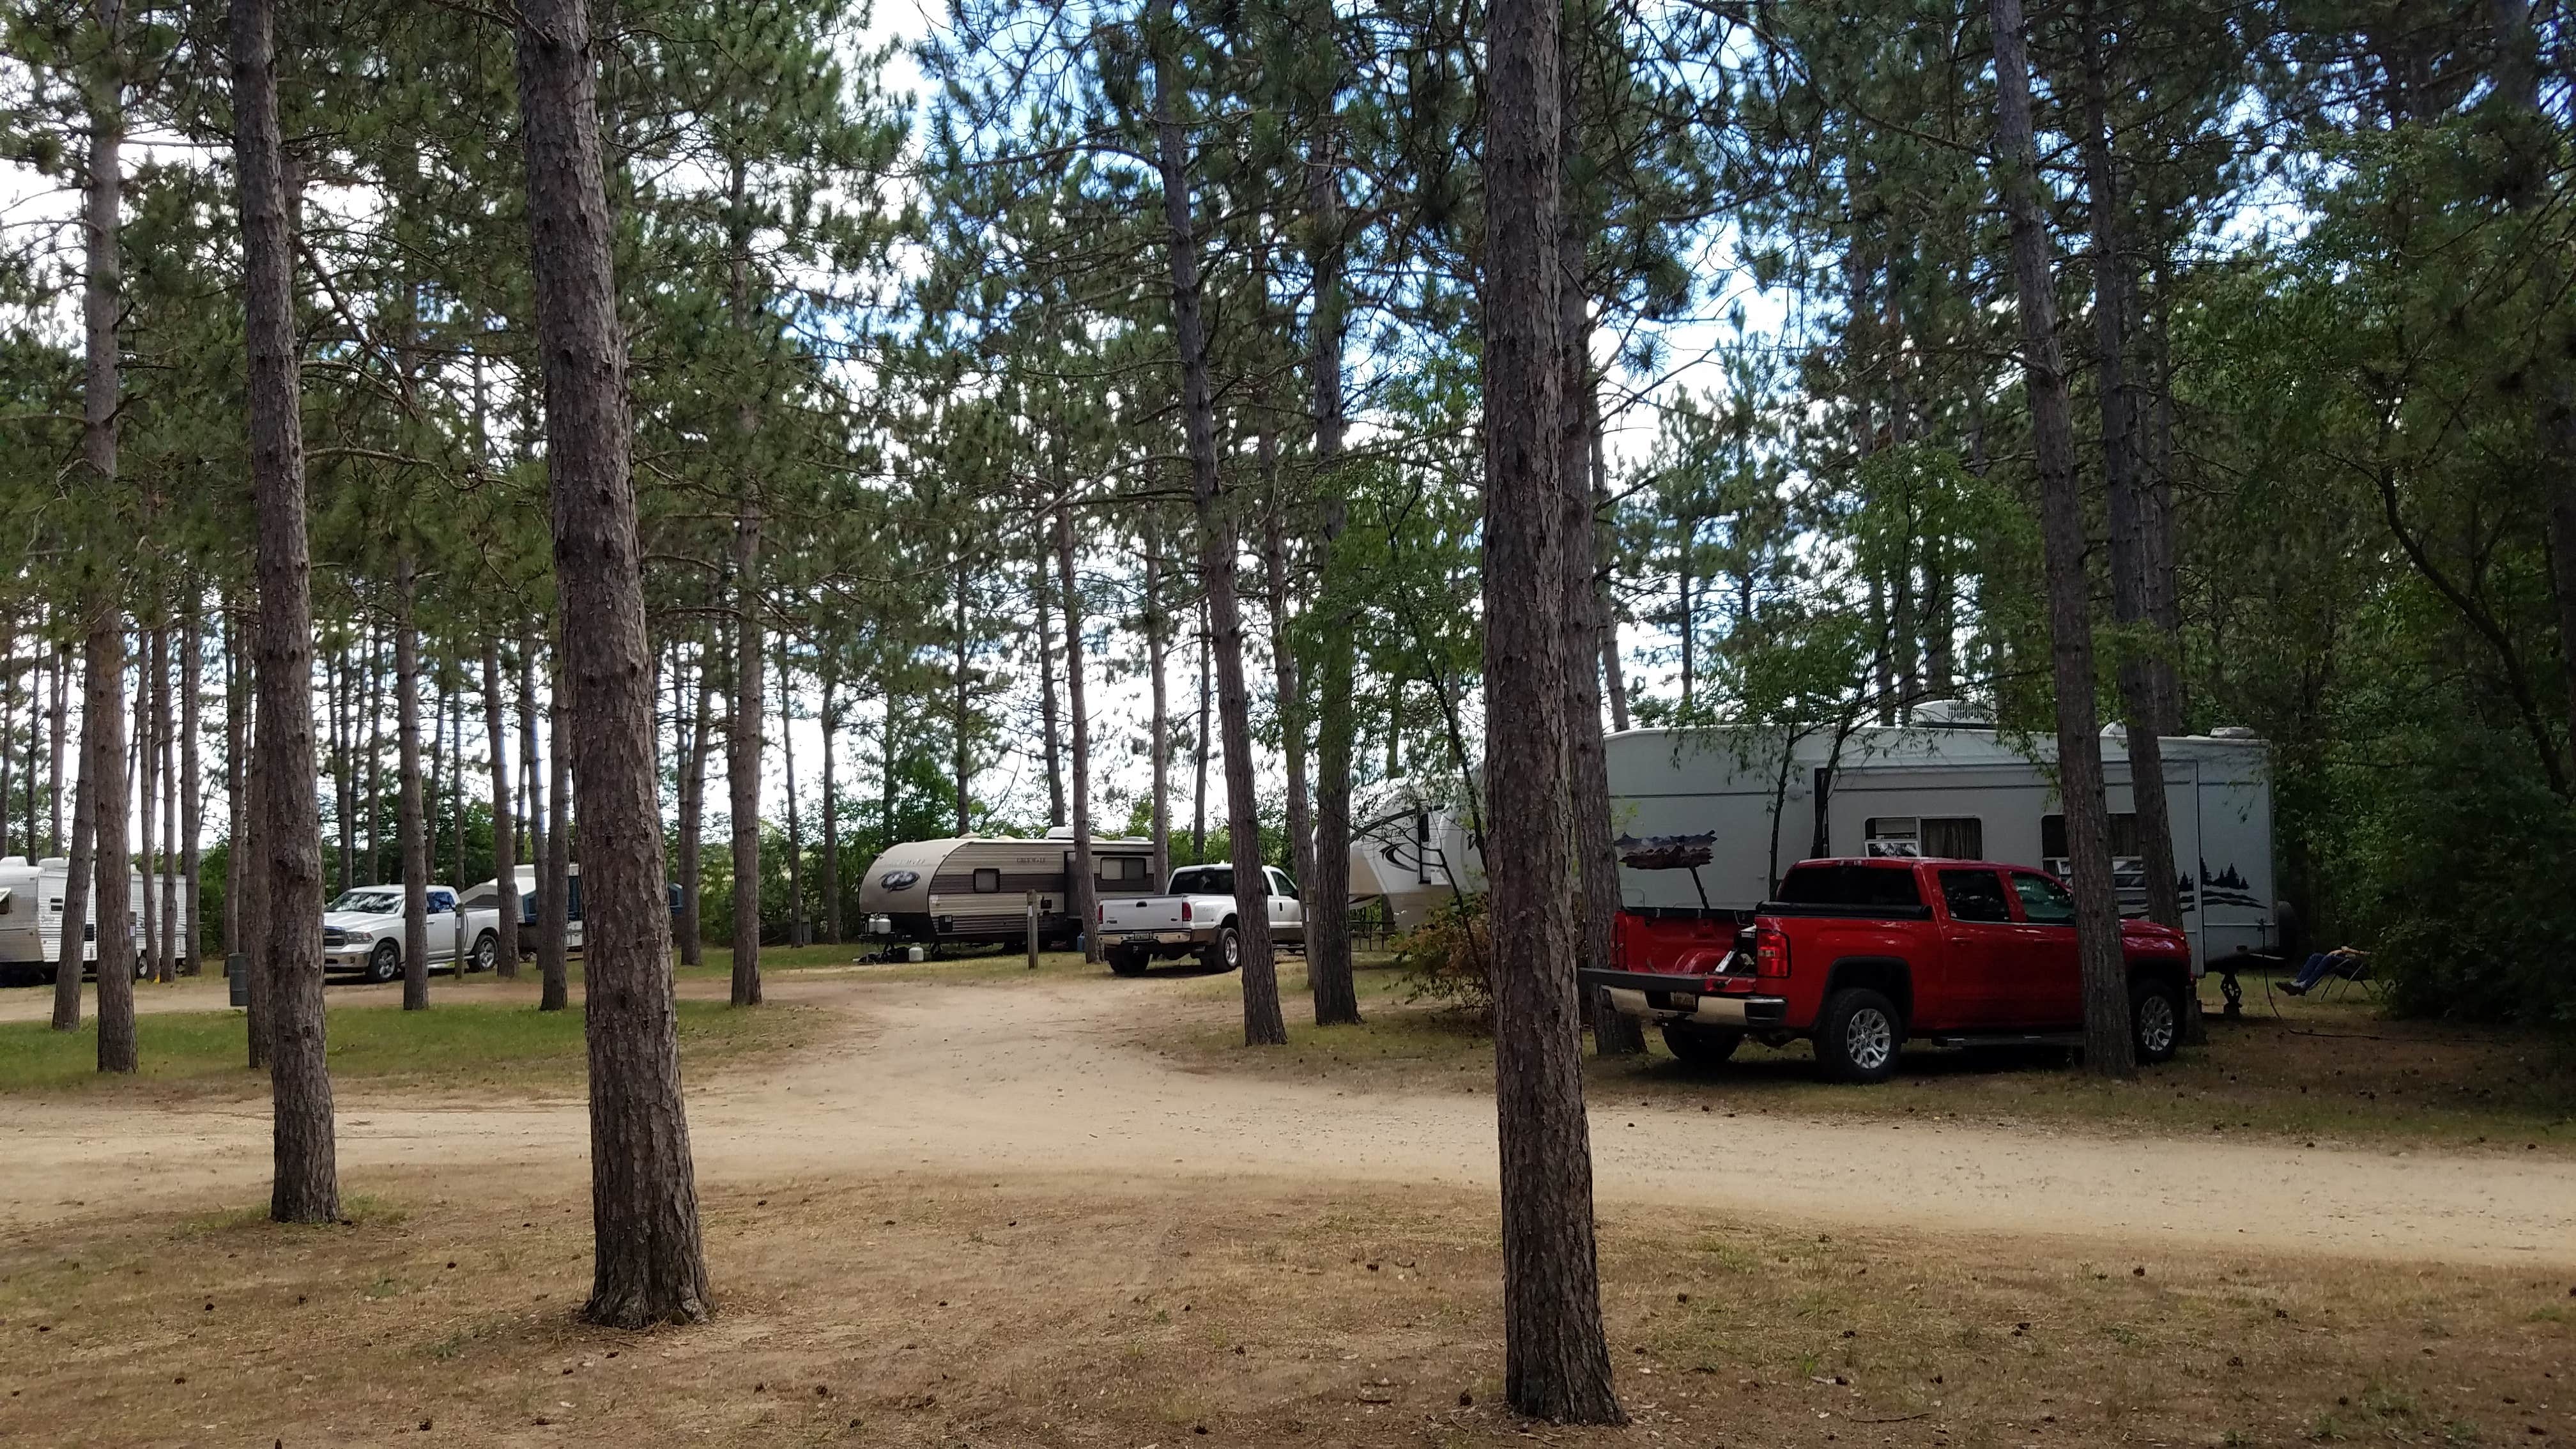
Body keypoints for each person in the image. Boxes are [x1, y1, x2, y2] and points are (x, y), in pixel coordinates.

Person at [2280, 945, 2368, 995]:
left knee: (2330, 959)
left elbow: (2371, 955)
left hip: (2359, 967)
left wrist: (2350, 951)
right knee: (2316, 957)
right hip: (2349, 960)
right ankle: (2297, 983)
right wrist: (2342, 951)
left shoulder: (2379, 943)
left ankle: (2304, 986)